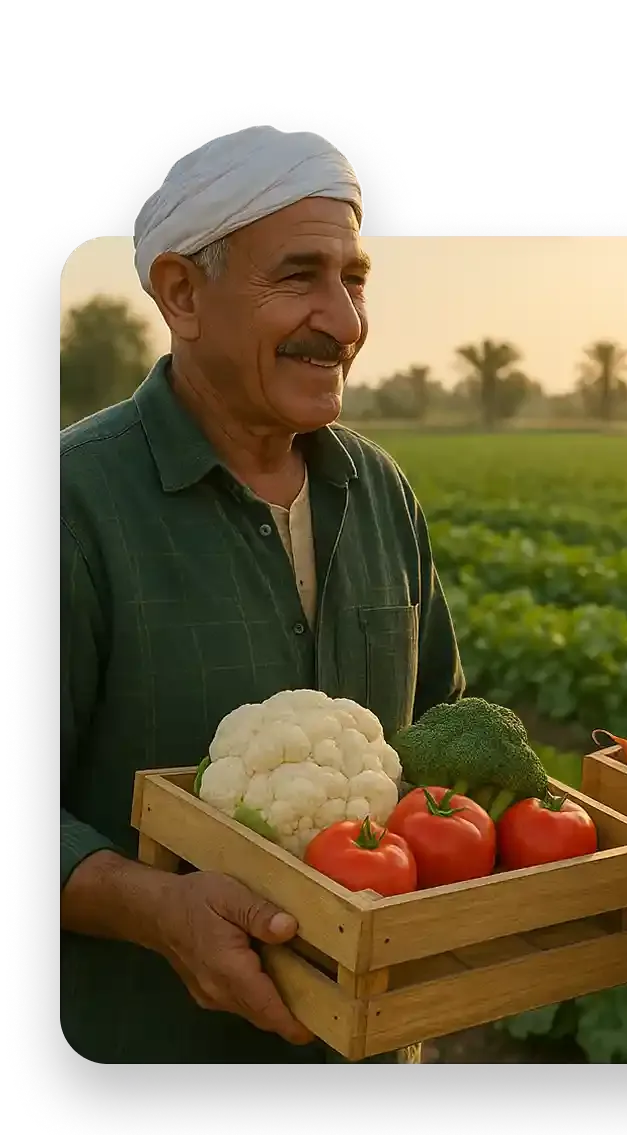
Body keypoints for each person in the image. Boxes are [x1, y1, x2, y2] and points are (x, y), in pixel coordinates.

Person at [59, 123, 464, 1064]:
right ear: (182, 293)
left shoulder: (383, 491)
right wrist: (154, 909)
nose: (346, 321)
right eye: (299, 277)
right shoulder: (67, 504)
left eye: (354, 279)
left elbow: (439, 720)